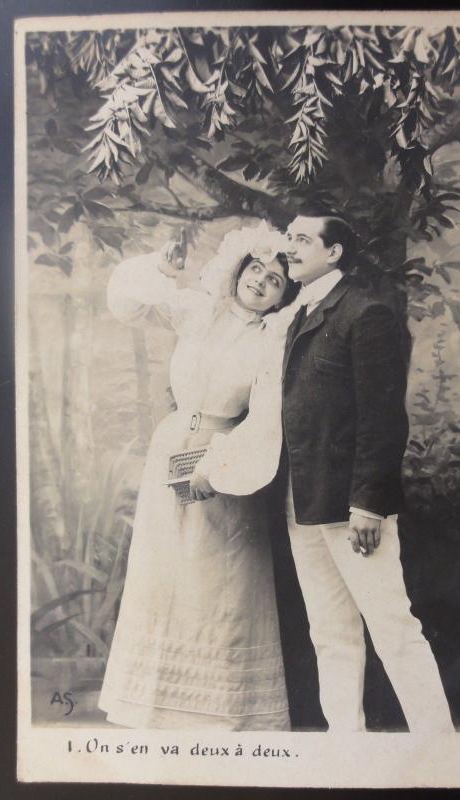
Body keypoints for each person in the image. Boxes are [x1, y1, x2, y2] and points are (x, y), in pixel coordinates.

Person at [193, 213, 454, 734]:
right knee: (330, 632)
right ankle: (346, 746)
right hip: (301, 502)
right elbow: (274, 412)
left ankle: (441, 748)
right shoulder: (292, 317)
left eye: (302, 239)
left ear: (334, 254)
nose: (289, 248)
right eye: (288, 237)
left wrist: (368, 503)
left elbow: (383, 417)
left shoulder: (365, 313)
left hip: (353, 507)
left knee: (392, 626)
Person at [98, 222, 299, 731]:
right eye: (256, 268)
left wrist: (218, 468)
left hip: (223, 459)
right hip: (171, 447)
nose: (260, 282)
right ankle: (151, 703)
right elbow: (128, 305)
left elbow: (265, 417)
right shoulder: (200, 313)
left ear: (282, 297)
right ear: (238, 268)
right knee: (163, 573)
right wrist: (161, 268)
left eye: (275, 280)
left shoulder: (272, 342)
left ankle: (224, 709)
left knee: (219, 580)